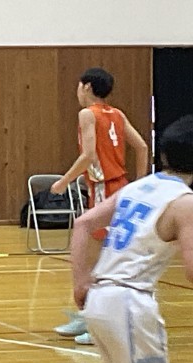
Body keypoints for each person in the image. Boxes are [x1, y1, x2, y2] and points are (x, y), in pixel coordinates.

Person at [33, 114, 193, 363]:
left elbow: (84, 223)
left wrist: (80, 281)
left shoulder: (141, 186)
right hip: (129, 303)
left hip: (102, 299)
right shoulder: (184, 203)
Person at [50, 67, 148, 344]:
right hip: (118, 187)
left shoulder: (87, 114)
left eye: (79, 86)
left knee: (97, 260)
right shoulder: (117, 114)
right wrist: (139, 185)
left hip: (105, 188)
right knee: (101, 258)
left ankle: (101, 323)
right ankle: (91, 316)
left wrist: (64, 181)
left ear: (86, 87)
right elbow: (142, 147)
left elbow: (89, 155)